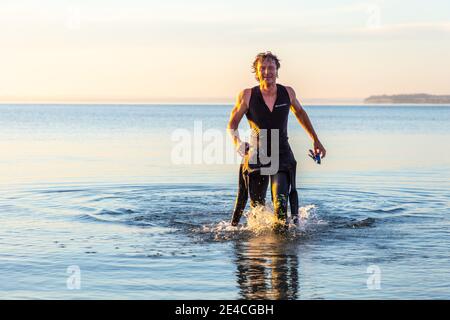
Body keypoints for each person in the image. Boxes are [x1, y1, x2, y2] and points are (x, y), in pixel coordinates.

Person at [227, 51, 326, 226]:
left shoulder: (287, 92)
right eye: (262, 68)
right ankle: (257, 248)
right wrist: (238, 142)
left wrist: (315, 140)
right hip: (258, 155)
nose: (267, 72)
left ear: (277, 70)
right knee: (257, 209)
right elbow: (232, 124)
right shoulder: (247, 95)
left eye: (271, 68)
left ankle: (280, 247)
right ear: (257, 73)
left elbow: (301, 114)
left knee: (281, 206)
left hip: (282, 154)